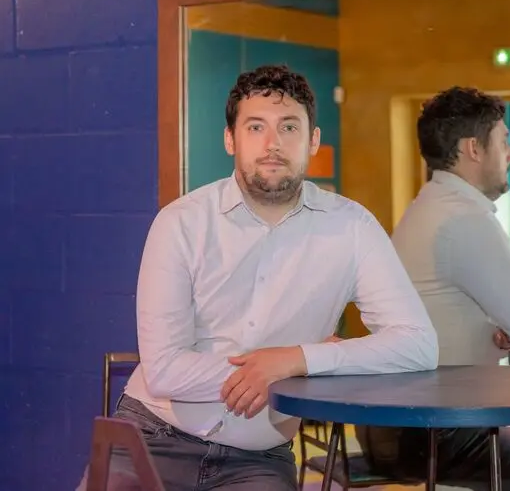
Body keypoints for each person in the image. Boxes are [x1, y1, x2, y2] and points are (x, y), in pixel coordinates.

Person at [77, 65, 439, 490]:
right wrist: (275, 370)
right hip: (151, 439)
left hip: (257, 463)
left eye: (289, 127)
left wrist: (297, 360)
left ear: (313, 140)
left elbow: (418, 345)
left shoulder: (353, 227)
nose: (273, 144)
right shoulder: (180, 223)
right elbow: (165, 371)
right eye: (255, 127)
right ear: (231, 139)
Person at [357, 86, 510, 490]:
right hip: (436, 429)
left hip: (395, 423)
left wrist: (492, 331)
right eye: (504, 141)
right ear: (474, 149)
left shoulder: (429, 206)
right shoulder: (464, 220)